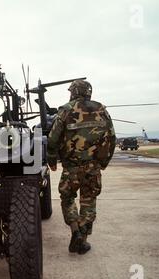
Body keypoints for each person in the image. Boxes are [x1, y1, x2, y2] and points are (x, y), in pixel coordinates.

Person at [47, 80, 116, 254]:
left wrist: (52, 159)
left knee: (68, 197)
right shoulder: (102, 110)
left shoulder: (65, 110)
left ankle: (75, 231)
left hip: (71, 167)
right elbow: (112, 138)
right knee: (89, 200)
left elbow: (53, 138)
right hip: (93, 167)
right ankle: (82, 240)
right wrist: (103, 162)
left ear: (73, 92)